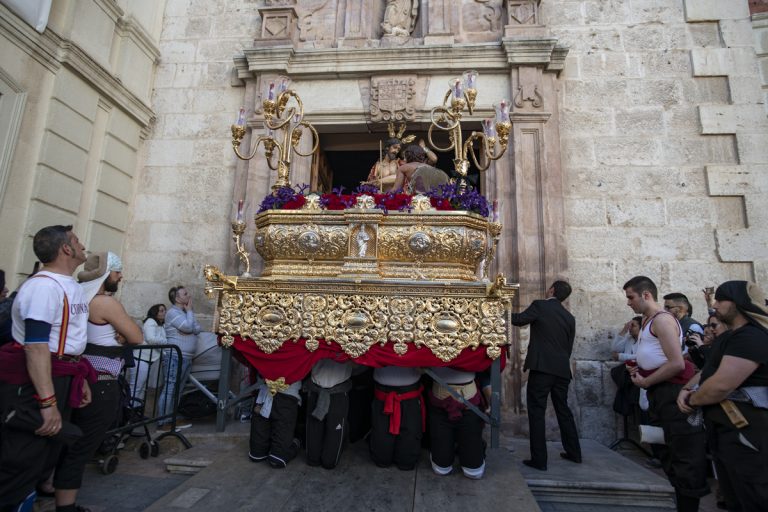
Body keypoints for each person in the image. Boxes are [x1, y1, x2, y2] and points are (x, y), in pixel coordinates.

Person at [0, 225, 95, 512]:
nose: (82, 245)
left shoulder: (69, 285)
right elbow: (37, 345)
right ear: (66, 249)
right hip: (38, 382)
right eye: (77, 241)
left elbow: (69, 341)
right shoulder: (43, 287)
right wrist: (47, 401)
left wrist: (80, 379)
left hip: (62, 375)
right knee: (22, 460)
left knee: (47, 455)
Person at [53, 252, 142, 511]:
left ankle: (50, 486)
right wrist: (125, 334)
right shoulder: (105, 303)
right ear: (106, 275)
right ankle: (66, 505)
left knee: (66, 440)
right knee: (83, 445)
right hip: (99, 383)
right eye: (117, 272)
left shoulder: (79, 296)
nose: (121, 276)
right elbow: (136, 336)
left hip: (75, 377)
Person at [677, 281, 768, 512]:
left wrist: (691, 400)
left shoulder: (751, 336)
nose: (715, 305)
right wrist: (686, 389)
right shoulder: (733, 337)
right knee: (734, 499)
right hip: (726, 431)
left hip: (746, 430)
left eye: (720, 300)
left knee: (753, 498)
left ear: (737, 304)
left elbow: (722, 385)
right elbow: (709, 372)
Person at [623, 276, 708, 512]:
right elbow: (657, 356)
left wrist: (646, 381)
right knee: (667, 451)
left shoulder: (662, 320)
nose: (628, 302)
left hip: (671, 392)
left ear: (646, 295)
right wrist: (639, 368)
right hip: (659, 393)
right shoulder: (649, 320)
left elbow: (676, 363)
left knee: (683, 455)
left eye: (631, 297)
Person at [511, 280, 581, 471]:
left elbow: (519, 320)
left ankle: (539, 460)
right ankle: (574, 453)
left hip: (542, 369)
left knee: (536, 411)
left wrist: (497, 312)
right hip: (562, 370)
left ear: (551, 290)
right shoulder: (569, 317)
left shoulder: (540, 306)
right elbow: (568, 346)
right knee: (563, 410)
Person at [428, 367, 486, 479]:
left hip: (469, 403)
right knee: (441, 468)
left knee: (474, 472)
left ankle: (475, 446)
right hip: (440, 403)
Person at [157, 286, 200, 430]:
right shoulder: (172, 313)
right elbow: (189, 327)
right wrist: (189, 315)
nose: (189, 295)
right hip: (175, 357)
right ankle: (163, 422)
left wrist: (189, 321)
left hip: (185, 357)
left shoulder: (184, 313)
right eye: (185, 293)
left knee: (178, 389)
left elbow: (197, 328)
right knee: (170, 388)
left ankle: (171, 418)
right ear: (177, 299)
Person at [369, 366, 424, 470]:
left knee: (407, 460)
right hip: (383, 392)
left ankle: (407, 459)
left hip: (410, 392)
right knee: (381, 457)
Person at [304, 359, 353, 469]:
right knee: (314, 428)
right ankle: (314, 458)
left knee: (335, 429)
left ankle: (329, 460)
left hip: (338, 391)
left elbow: (358, 363)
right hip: (316, 388)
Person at [249, 376, 302, 468]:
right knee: (256, 455)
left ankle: (295, 442)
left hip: (287, 394)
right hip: (264, 391)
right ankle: (271, 443)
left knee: (277, 460)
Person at [129, 304, 167, 403]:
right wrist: (167, 341)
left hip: (149, 359)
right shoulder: (151, 322)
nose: (164, 313)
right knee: (137, 387)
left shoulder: (161, 325)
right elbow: (151, 339)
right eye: (162, 311)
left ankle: (136, 411)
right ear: (155, 312)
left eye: (165, 311)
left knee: (142, 388)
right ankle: (128, 412)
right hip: (141, 358)